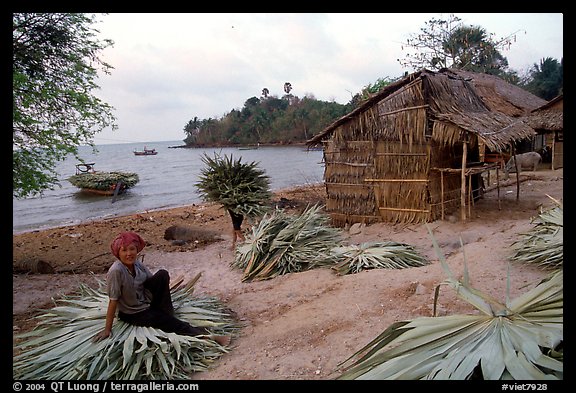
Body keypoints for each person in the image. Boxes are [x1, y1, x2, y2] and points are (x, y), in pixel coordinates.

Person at [93, 231, 230, 346]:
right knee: (168, 322)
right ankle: (208, 336)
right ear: (118, 253)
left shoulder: (137, 265)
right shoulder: (116, 271)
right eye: (124, 250)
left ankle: (166, 313)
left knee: (162, 274)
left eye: (132, 249)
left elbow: (153, 281)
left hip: (145, 301)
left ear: (137, 250)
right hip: (133, 313)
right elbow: (113, 300)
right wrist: (107, 329)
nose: (129, 253)